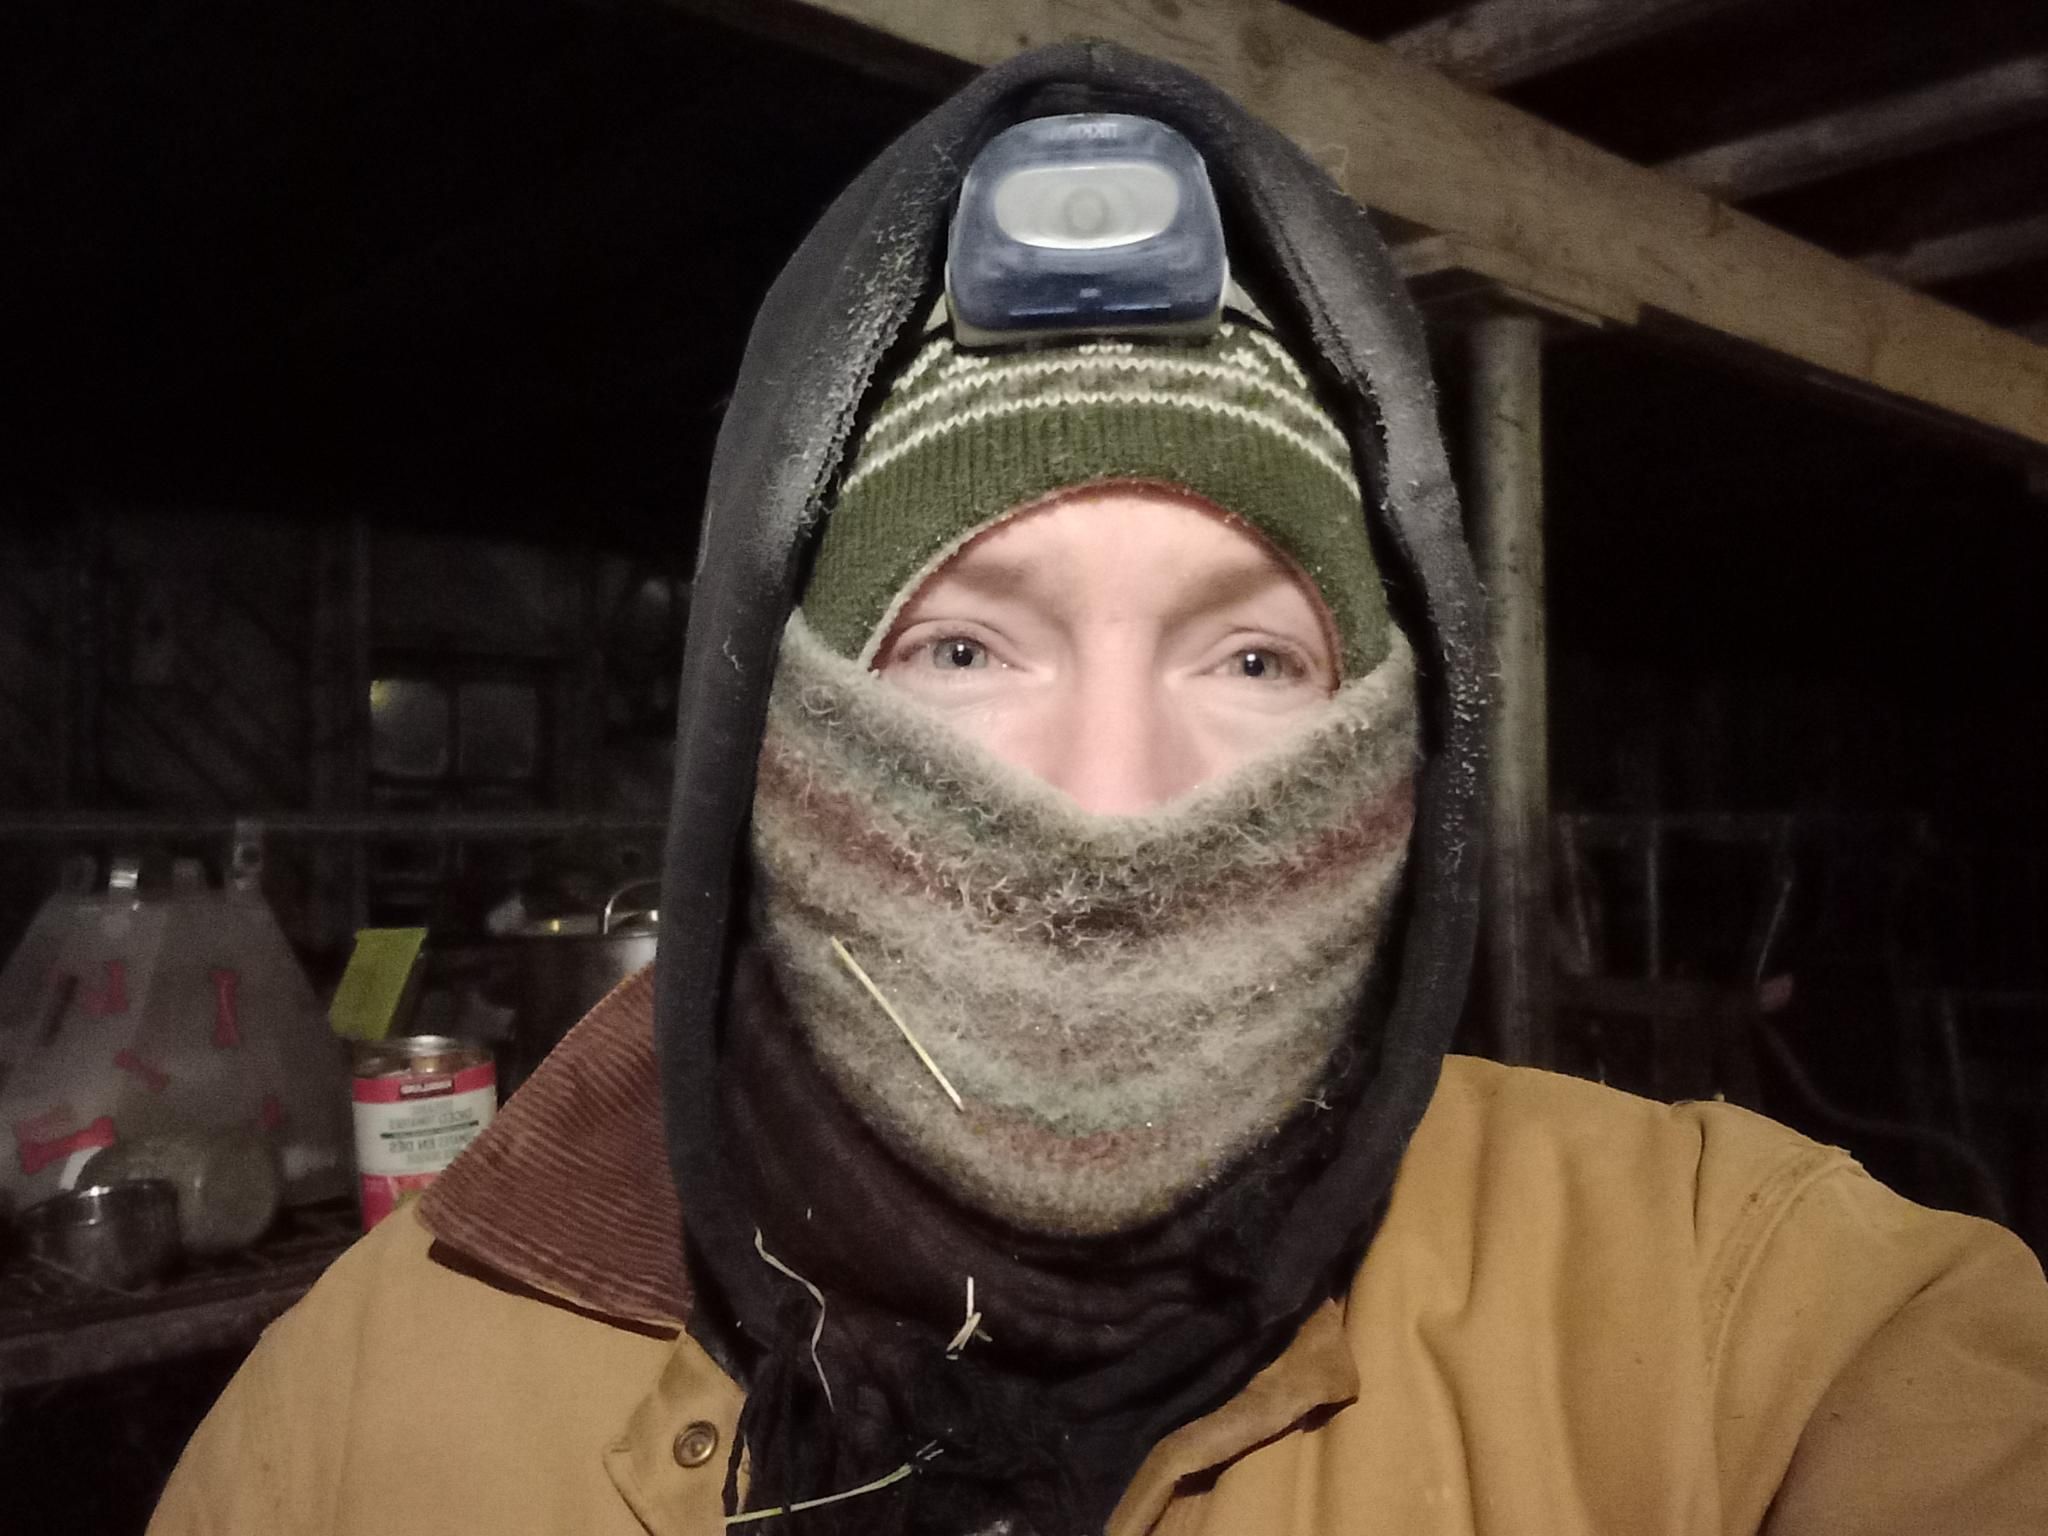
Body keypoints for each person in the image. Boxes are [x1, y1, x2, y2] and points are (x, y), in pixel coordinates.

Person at [151, 42, 2048, 1536]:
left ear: (1406, 740)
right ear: (768, 727)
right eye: (966, 650)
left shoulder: (1737, 1330)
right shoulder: (365, 1428)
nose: (1119, 801)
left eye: (1253, 659)